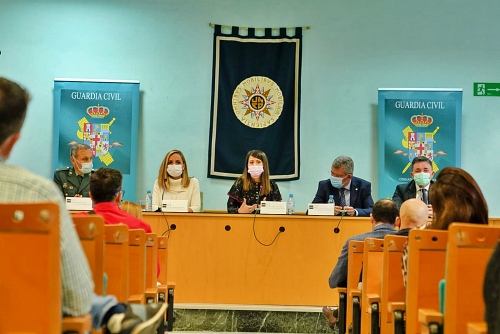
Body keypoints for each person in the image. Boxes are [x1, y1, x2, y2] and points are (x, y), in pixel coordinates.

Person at [0, 77, 166, 333]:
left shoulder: (62, 187)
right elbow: (77, 297)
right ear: (12, 142)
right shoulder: (37, 193)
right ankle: (113, 314)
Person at [402, 166, 488, 286]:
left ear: (436, 208)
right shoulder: (493, 241)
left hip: (428, 304)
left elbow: (409, 286)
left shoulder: (418, 237)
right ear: (479, 201)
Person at [322, 199, 398, 328]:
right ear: (397, 220)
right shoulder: (406, 241)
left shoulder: (354, 241)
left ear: (371, 218)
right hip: (398, 304)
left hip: (361, 306)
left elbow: (334, 281)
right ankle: (336, 315)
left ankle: (337, 316)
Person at [227, 149, 282, 214]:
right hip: (244, 222)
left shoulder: (272, 184)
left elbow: (279, 210)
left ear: (264, 165)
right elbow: (229, 208)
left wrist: (267, 209)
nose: (255, 165)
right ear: (247, 165)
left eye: (258, 162)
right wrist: (239, 211)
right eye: (251, 162)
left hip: (266, 223)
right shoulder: (240, 183)